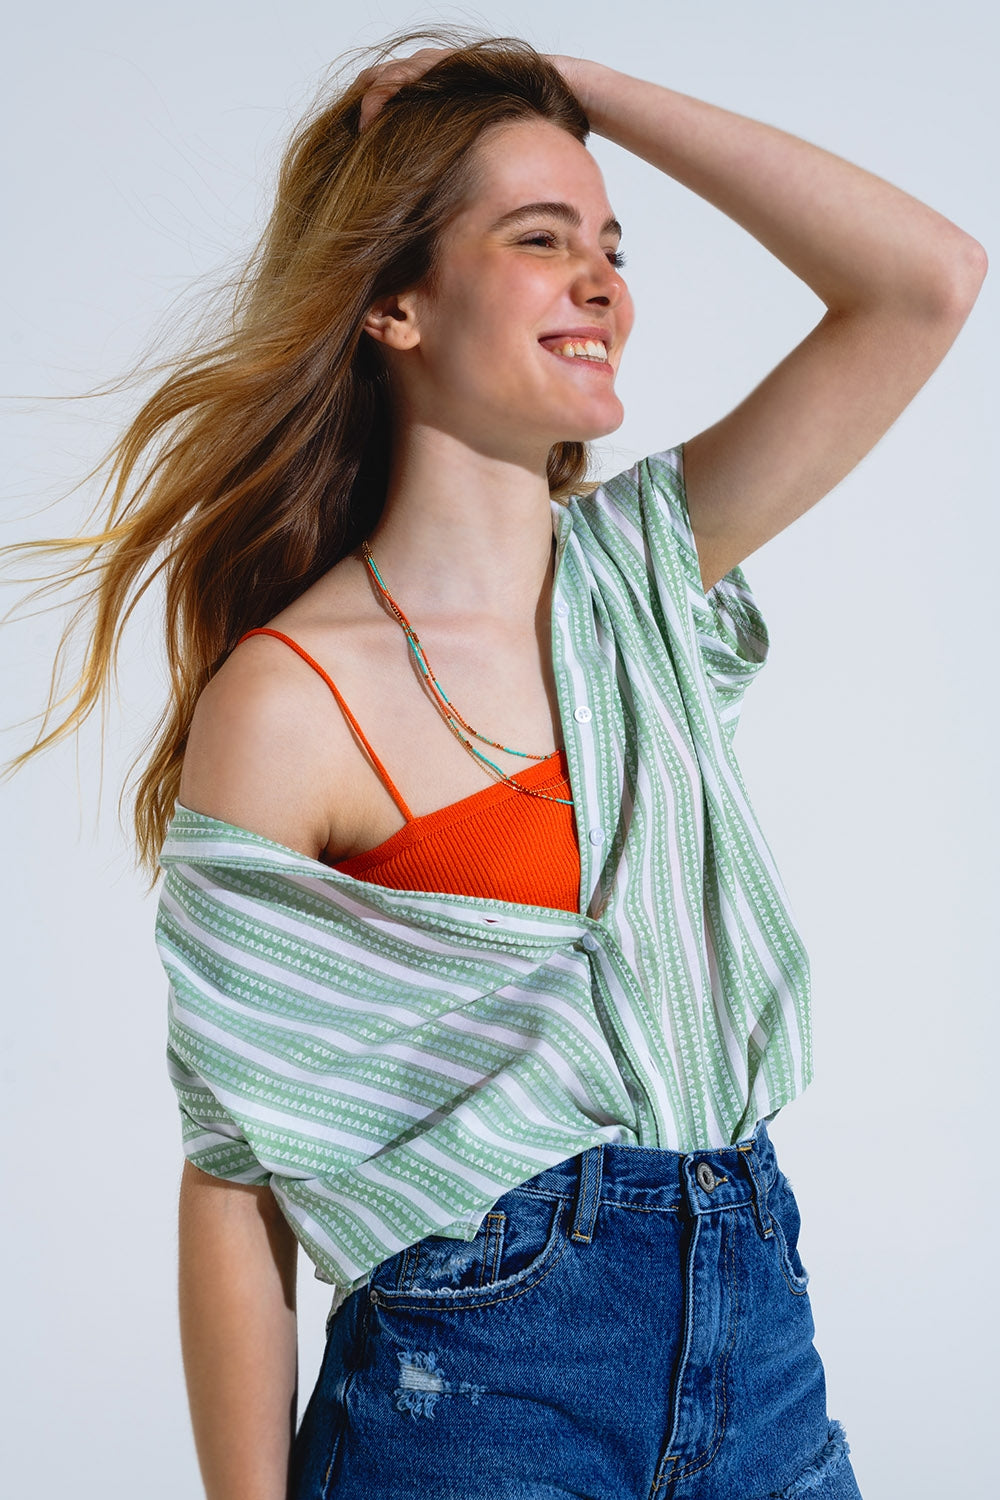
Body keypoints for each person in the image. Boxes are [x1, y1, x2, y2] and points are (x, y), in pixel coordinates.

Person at [5, 29, 985, 1500]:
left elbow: (926, 282)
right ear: (393, 302)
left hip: (761, 1368)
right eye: (540, 239)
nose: (603, 284)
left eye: (612, 246)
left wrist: (583, 89)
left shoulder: (641, 580)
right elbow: (231, 1177)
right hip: (471, 1402)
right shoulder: (289, 700)